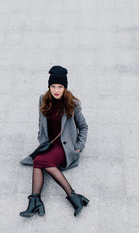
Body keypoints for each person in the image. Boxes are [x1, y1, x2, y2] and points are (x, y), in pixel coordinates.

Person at [19, 65, 89, 218]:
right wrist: (41, 139)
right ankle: (41, 200)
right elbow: (40, 123)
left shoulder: (72, 104)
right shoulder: (43, 99)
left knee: (40, 162)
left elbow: (83, 127)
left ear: (65, 88)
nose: (56, 90)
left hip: (65, 147)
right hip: (49, 144)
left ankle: (42, 200)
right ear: (49, 86)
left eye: (60, 86)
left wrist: (78, 147)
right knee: (39, 160)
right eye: (53, 86)